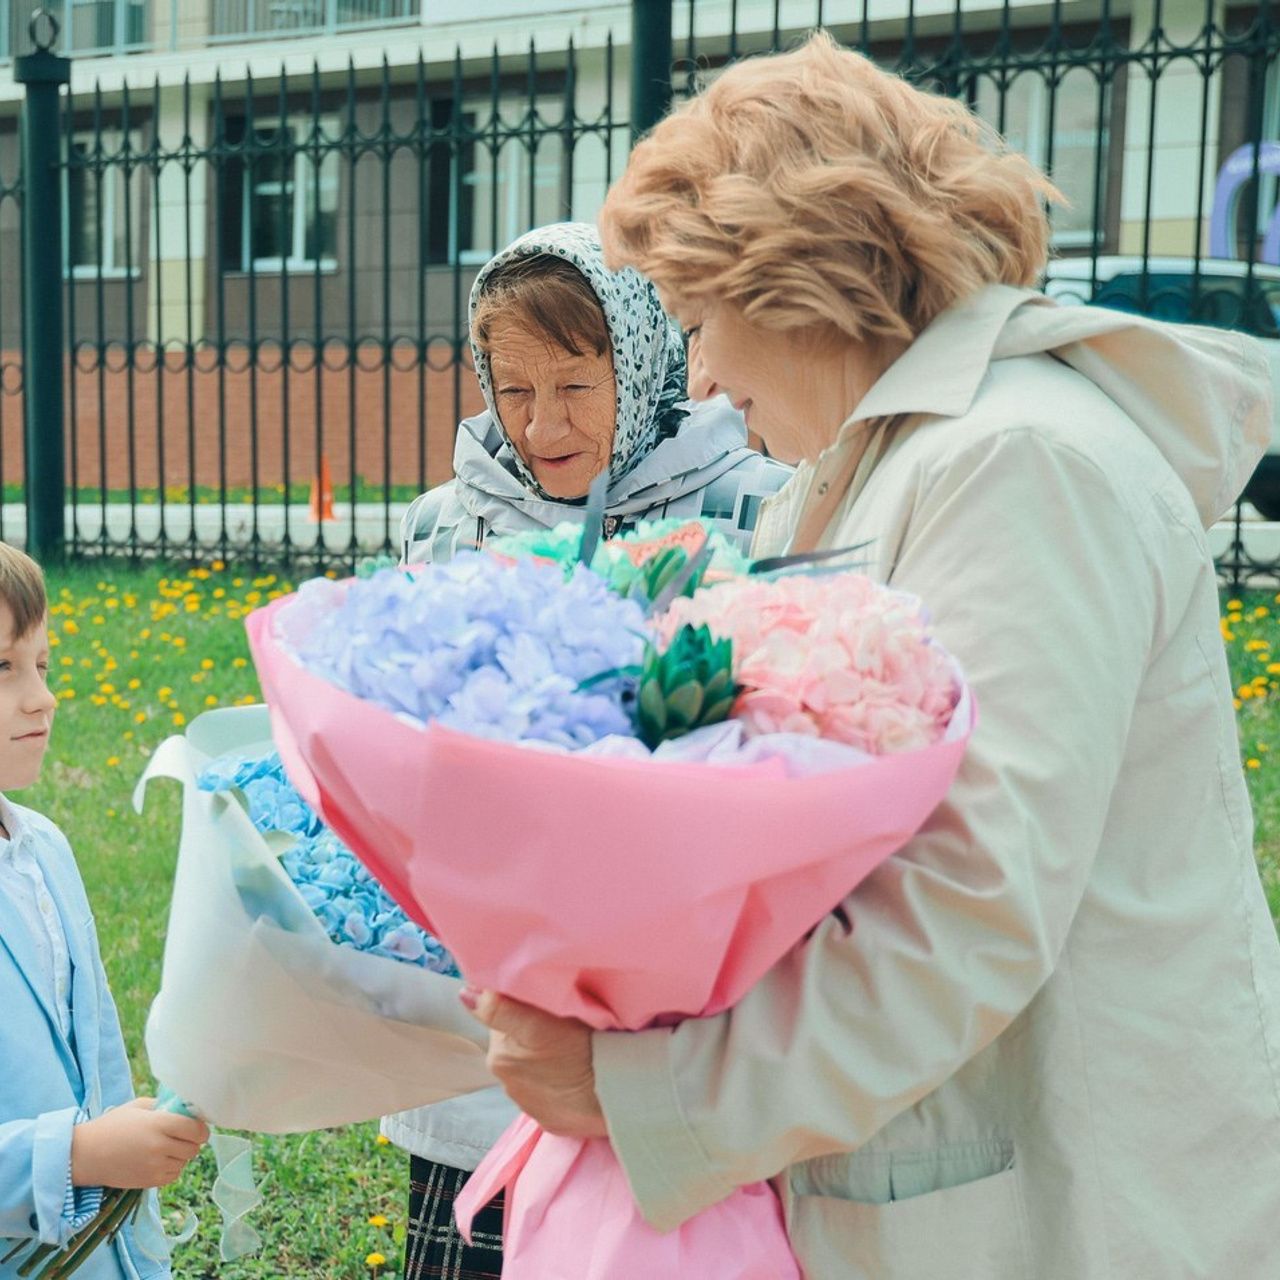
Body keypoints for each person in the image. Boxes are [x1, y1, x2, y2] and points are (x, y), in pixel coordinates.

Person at [465, 32, 1280, 1279]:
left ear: (796, 273)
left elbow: (966, 906)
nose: (704, 376)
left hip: (1067, 1212)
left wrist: (648, 1091)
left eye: (699, 318)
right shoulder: (875, 471)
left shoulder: (1018, 465)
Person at [388, 220, 792, 1279]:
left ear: (644, 357)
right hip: (481, 996)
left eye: (573, 385)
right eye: (512, 391)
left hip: (668, 1012)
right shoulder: (444, 525)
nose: (539, 425)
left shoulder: (744, 510)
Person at [0, 543, 209, 1279]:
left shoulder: (44, 849)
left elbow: (101, 1060)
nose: (41, 697)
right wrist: (78, 1154)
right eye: (4, 669)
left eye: (42, 665)